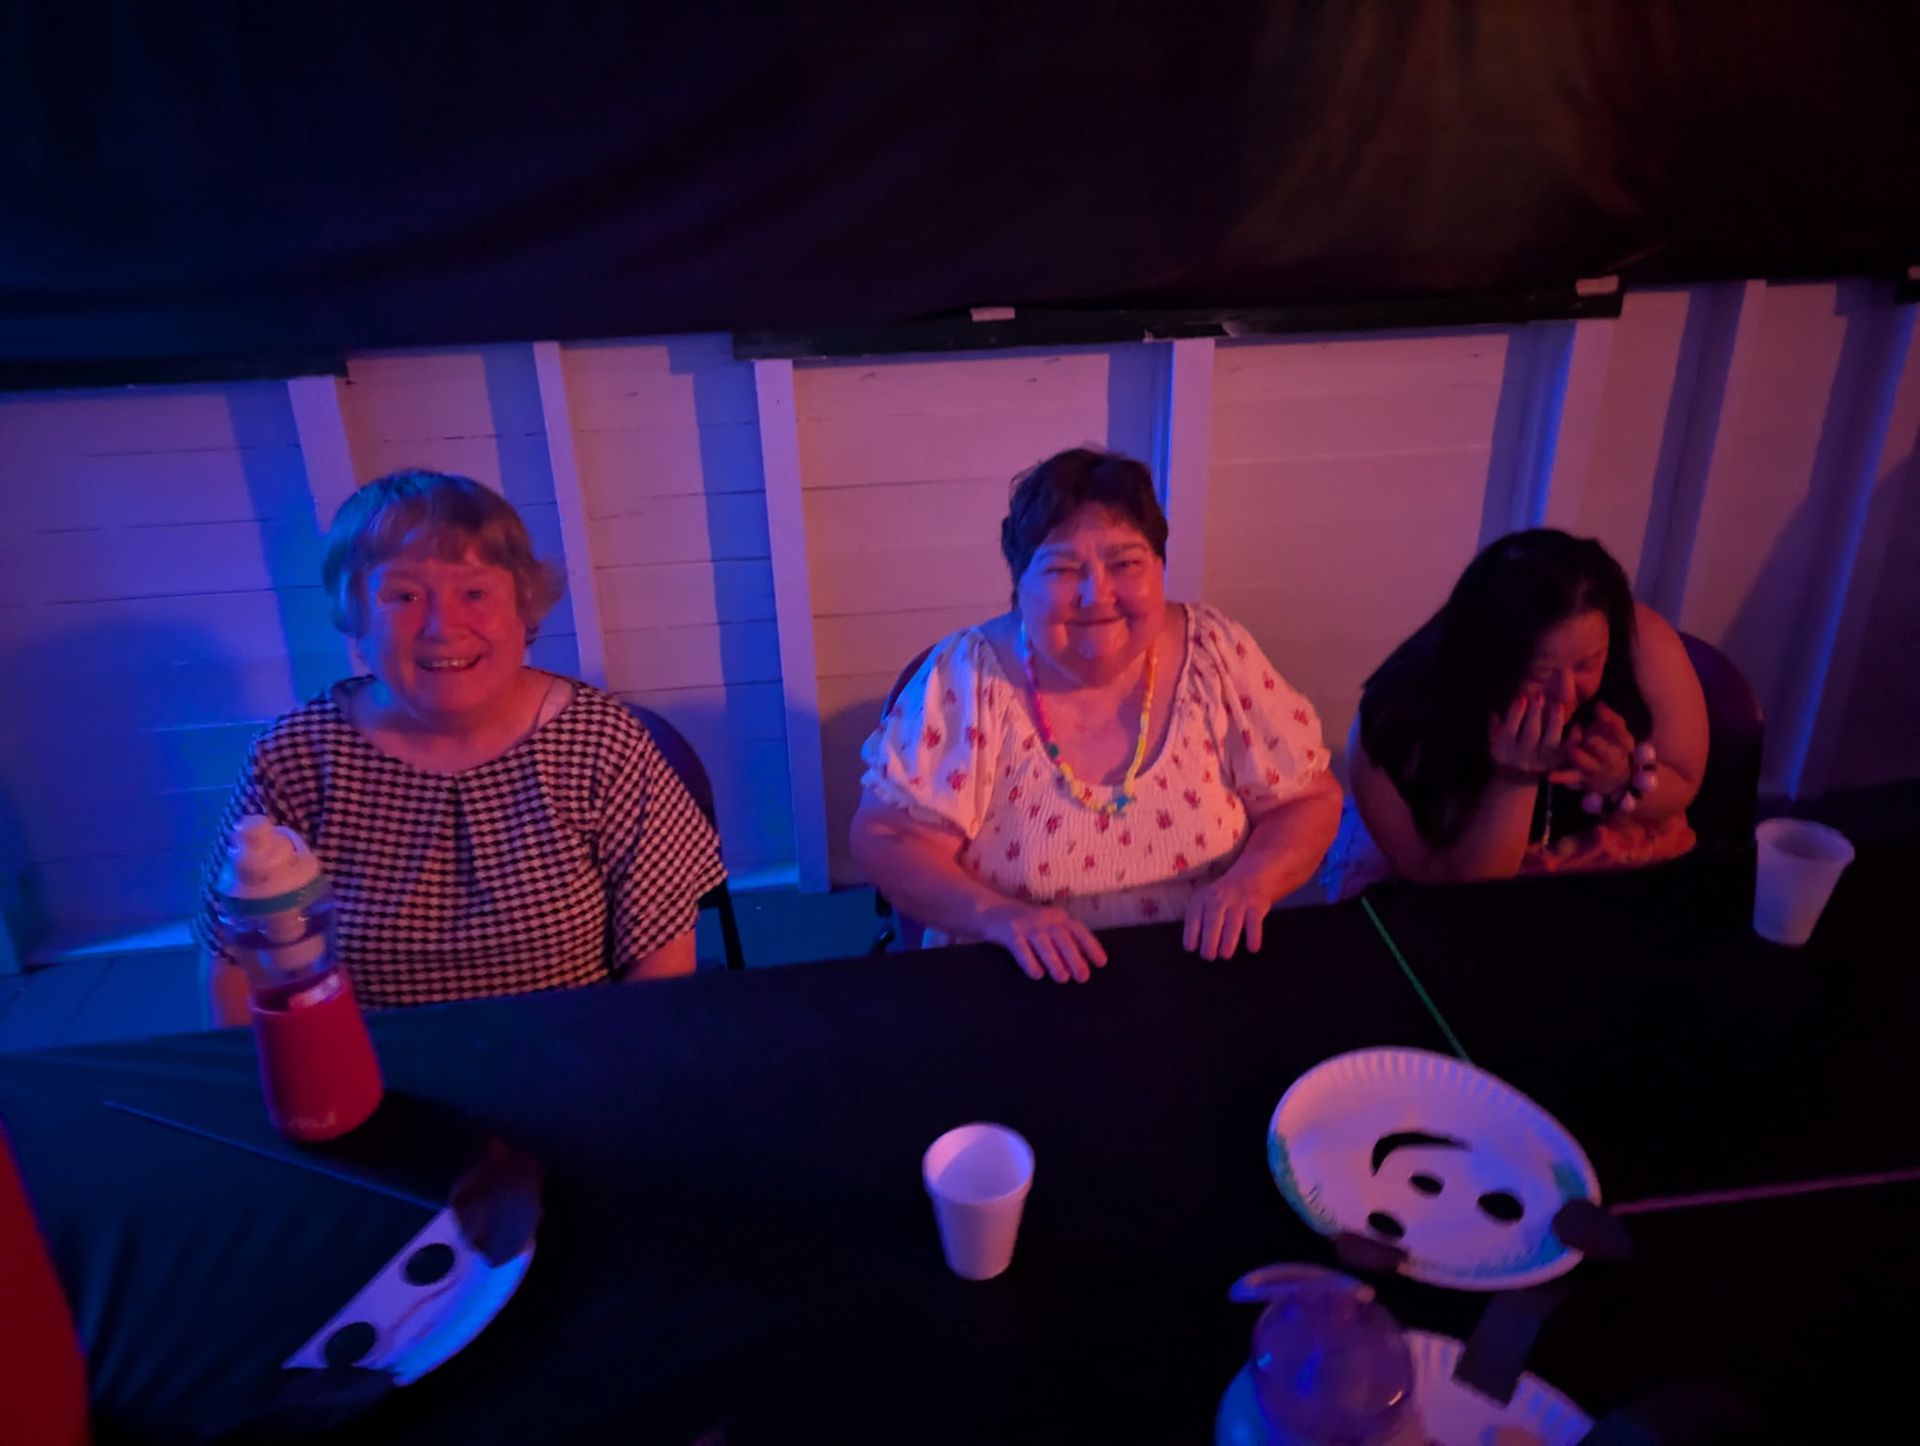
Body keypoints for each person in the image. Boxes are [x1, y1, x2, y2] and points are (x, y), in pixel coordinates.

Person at [198, 469, 724, 1022]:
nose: (443, 625)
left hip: (575, 1055)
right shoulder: (293, 758)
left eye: (474, 592)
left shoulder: (602, 743)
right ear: (355, 617)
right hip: (364, 1062)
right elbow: (234, 961)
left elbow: (660, 953)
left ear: (524, 608)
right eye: (404, 595)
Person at [850, 447, 1342, 984]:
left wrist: (1252, 881)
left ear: (1158, 568)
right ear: (1021, 584)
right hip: (1012, 975)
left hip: (1202, 972)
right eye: (1062, 568)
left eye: (1125, 563)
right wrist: (999, 917)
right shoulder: (967, 676)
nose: (1096, 594)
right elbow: (888, 838)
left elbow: (1308, 800)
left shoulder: (1218, 654)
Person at [1347, 528, 1708, 886]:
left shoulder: (1643, 640)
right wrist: (1515, 780)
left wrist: (1621, 781)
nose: (1565, 693)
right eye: (1540, 672)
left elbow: (1685, 783)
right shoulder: (1394, 722)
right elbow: (1456, 892)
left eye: (1586, 664)